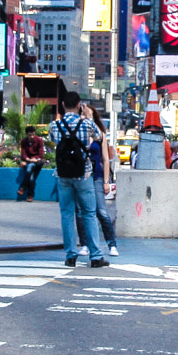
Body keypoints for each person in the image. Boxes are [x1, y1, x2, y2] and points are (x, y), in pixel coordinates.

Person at [46, 91, 107, 267]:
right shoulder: (86, 124)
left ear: (63, 105)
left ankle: (71, 255)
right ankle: (95, 256)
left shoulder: (54, 125)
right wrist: (88, 117)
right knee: (88, 213)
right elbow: (100, 137)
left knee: (66, 214)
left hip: (63, 174)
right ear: (79, 105)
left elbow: (52, 140)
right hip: (84, 173)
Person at [81, 103, 120, 255]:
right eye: (83, 116)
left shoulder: (100, 134)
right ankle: (85, 244)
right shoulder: (79, 133)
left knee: (101, 211)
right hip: (82, 176)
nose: (85, 118)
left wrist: (106, 181)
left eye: (88, 115)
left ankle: (112, 244)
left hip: (96, 176)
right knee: (81, 212)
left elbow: (105, 159)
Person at [16, 122, 46, 201]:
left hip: (38, 161)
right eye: (30, 135)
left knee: (29, 167)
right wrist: (28, 160)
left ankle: (22, 188)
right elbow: (23, 154)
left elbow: (41, 154)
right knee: (31, 178)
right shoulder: (23, 142)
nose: (32, 136)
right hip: (29, 161)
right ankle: (30, 196)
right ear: (26, 134)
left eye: (33, 134)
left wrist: (32, 160)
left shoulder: (39, 140)